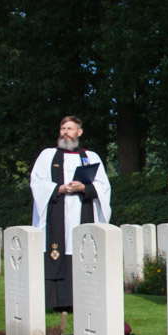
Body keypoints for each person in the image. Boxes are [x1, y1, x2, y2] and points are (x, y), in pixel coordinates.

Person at [30, 116, 111, 311]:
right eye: (63, 128)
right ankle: (57, 302)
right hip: (56, 212)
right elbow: (37, 182)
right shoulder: (48, 156)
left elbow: (104, 186)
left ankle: (84, 300)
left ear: (79, 132)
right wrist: (59, 189)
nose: (65, 132)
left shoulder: (90, 157)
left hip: (83, 211)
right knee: (58, 250)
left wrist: (83, 186)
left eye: (70, 129)